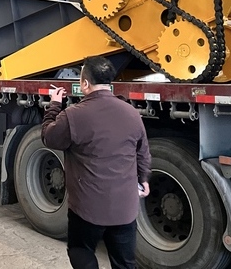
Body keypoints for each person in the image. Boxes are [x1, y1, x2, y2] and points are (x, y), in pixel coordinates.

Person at [42, 56, 152, 269]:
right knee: (125, 263)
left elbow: (49, 137)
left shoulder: (73, 116)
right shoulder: (131, 113)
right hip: (124, 208)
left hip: (87, 209)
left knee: (81, 252)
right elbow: (142, 152)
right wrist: (144, 178)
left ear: (84, 83)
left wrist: (54, 105)